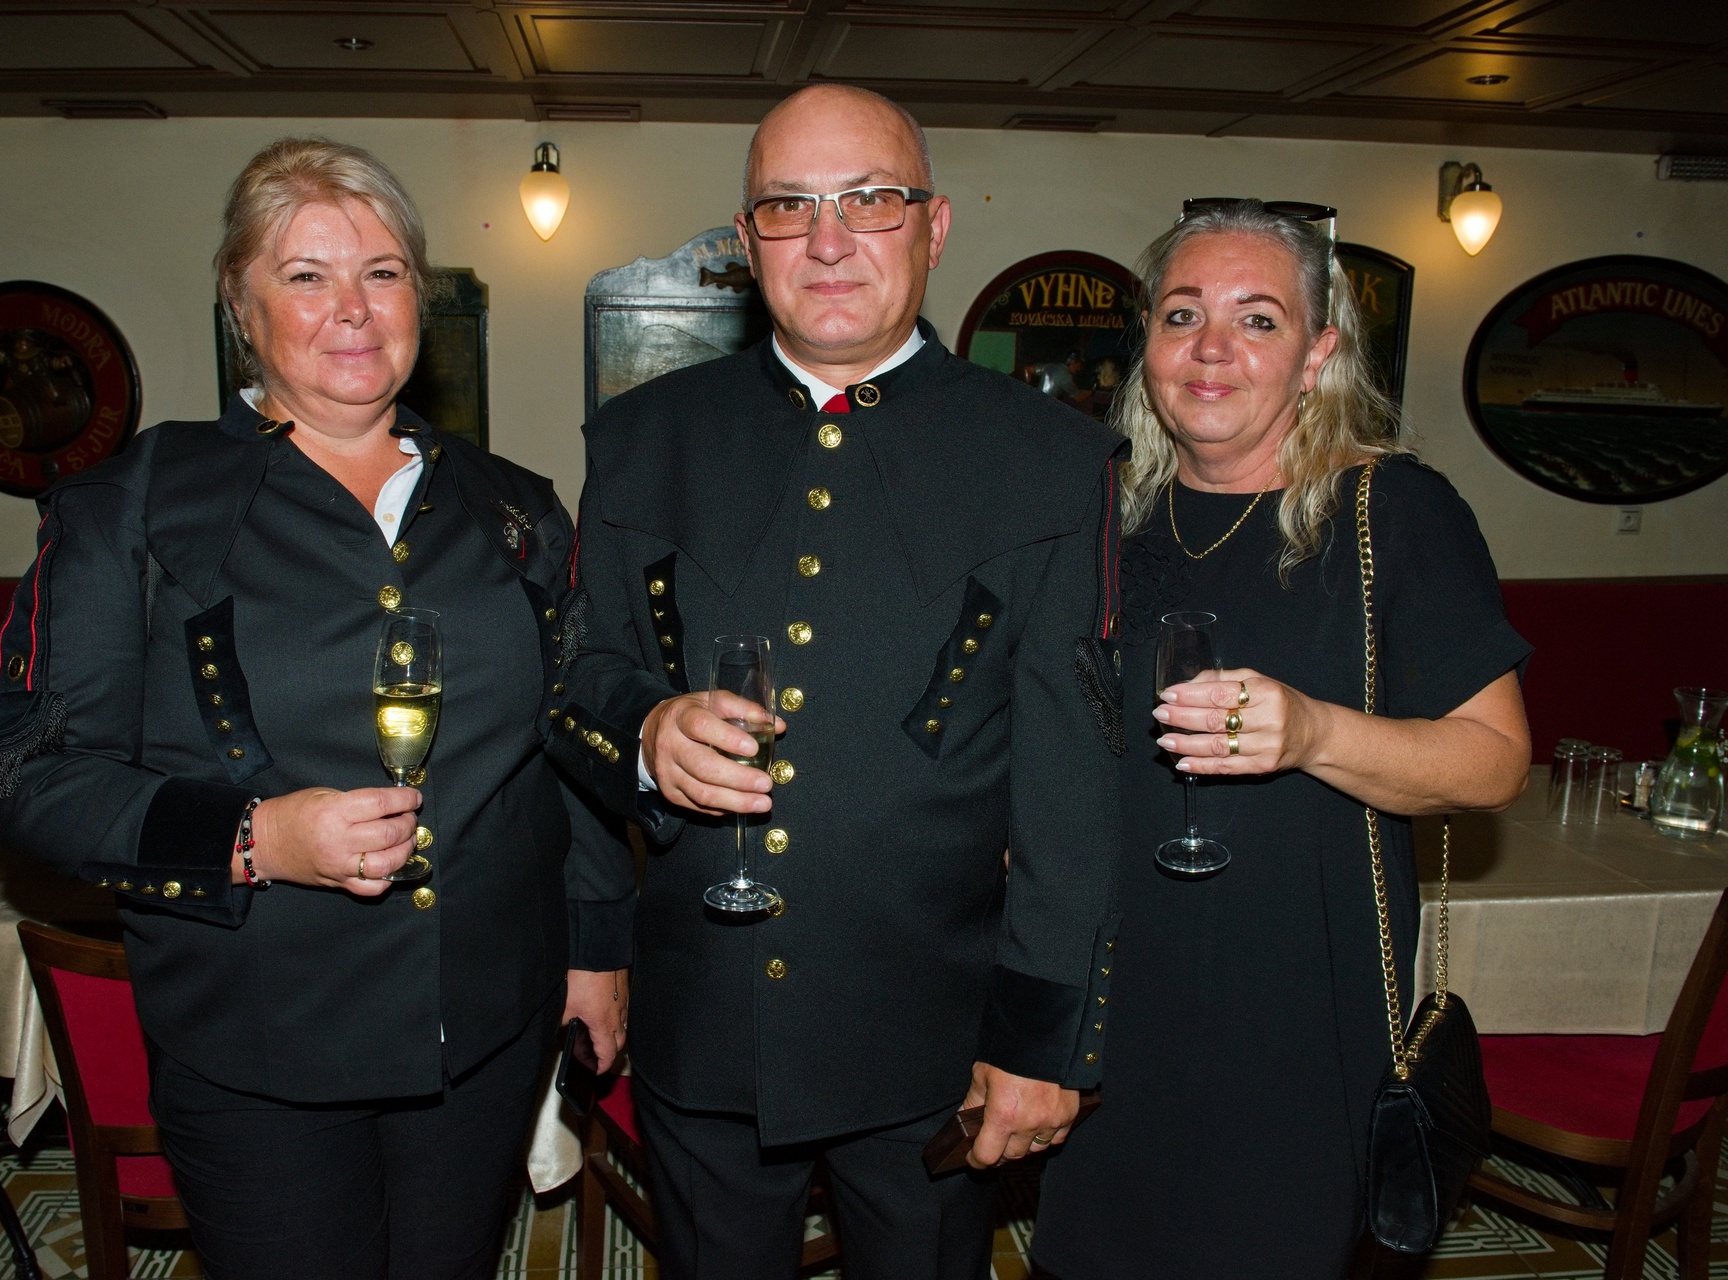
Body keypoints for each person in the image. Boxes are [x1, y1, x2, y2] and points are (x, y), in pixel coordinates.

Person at [0, 138, 633, 1280]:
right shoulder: (132, 502)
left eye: (382, 272)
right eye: (306, 275)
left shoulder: (515, 505)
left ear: (418, 298)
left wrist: (596, 949)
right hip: (259, 1040)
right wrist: (255, 837)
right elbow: (23, 772)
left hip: (489, 1025)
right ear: (242, 304)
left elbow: (563, 741)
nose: (352, 309)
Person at [546, 85, 1125, 1280]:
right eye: (788, 206)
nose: (826, 239)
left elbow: (1071, 787)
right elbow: (581, 682)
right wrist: (599, 918)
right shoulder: (644, 437)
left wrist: (1043, 1036)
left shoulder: (1053, 459)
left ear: (935, 226)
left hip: (932, 1036)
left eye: (870, 201)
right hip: (700, 1014)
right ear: (745, 238)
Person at [1032, 199, 1532, 1277]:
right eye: (1182, 314)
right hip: (1120, 1000)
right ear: (1148, 344)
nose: (1212, 348)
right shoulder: (1105, 515)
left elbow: (1494, 761)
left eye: (1258, 319)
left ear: (1318, 354)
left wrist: (1312, 730)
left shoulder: (1391, 511)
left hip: (1300, 1007)